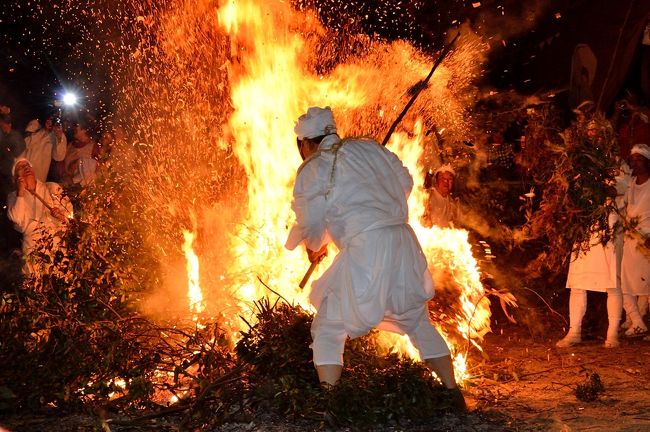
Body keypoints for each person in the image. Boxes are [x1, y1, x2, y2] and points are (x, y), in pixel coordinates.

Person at [285, 106, 464, 406]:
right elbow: (405, 182)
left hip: (367, 249)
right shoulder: (368, 146)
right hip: (403, 241)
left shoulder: (313, 167)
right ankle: (452, 392)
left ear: (305, 143)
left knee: (329, 325)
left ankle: (330, 404)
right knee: (417, 320)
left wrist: (317, 242)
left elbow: (310, 224)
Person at [556, 170, 628, 348]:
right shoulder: (582, 166)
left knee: (613, 283)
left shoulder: (618, 165)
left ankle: (612, 334)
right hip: (585, 229)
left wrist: (596, 184)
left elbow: (619, 189)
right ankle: (574, 332)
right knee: (578, 283)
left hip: (609, 229)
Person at [7, 158, 72, 273]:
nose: (26, 168)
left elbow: (70, 217)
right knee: (35, 285)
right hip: (32, 247)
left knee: (61, 279)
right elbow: (16, 218)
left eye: (28, 165)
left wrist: (61, 216)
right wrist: (20, 192)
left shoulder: (52, 187)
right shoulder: (14, 196)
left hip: (56, 243)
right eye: (21, 167)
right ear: (16, 177)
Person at [620, 143, 650, 337]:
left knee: (647, 284)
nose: (634, 162)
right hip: (630, 239)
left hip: (647, 240)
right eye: (632, 159)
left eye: (638, 158)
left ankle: (639, 322)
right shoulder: (629, 183)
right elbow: (620, 205)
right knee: (625, 283)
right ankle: (636, 321)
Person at [21, 116, 67, 182]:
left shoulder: (57, 135)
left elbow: (59, 157)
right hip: (23, 170)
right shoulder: (35, 125)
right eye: (48, 119)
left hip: (38, 175)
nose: (50, 122)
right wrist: (43, 130)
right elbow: (26, 143)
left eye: (52, 120)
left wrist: (59, 138)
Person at [422, 164, 459, 228]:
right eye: (442, 178)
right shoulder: (426, 197)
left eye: (450, 179)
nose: (446, 181)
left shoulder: (453, 203)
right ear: (436, 181)